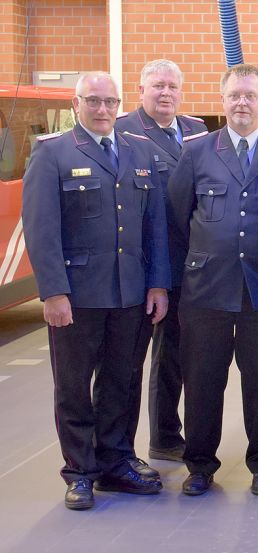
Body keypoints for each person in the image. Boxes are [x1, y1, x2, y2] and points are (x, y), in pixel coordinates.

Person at [22, 71, 169, 510]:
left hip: (129, 292)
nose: (102, 110)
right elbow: (41, 229)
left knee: (121, 382)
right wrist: (53, 293)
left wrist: (158, 282)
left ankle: (116, 461)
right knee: (73, 386)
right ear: (76, 105)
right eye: (93, 101)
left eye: (110, 102)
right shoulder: (53, 154)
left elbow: (154, 225)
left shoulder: (139, 150)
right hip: (77, 295)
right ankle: (80, 471)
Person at [168, 64, 258, 497]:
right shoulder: (196, 152)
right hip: (206, 289)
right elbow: (178, 219)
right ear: (222, 101)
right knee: (203, 379)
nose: (242, 103)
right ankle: (200, 465)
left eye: (250, 96)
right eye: (234, 96)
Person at [116, 59, 208, 468]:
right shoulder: (123, 131)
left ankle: (168, 435)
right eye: (157, 86)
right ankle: (146, 441)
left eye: (172, 86)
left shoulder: (198, 130)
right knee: (137, 360)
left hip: (195, 266)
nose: (165, 93)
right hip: (150, 267)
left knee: (179, 354)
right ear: (141, 91)